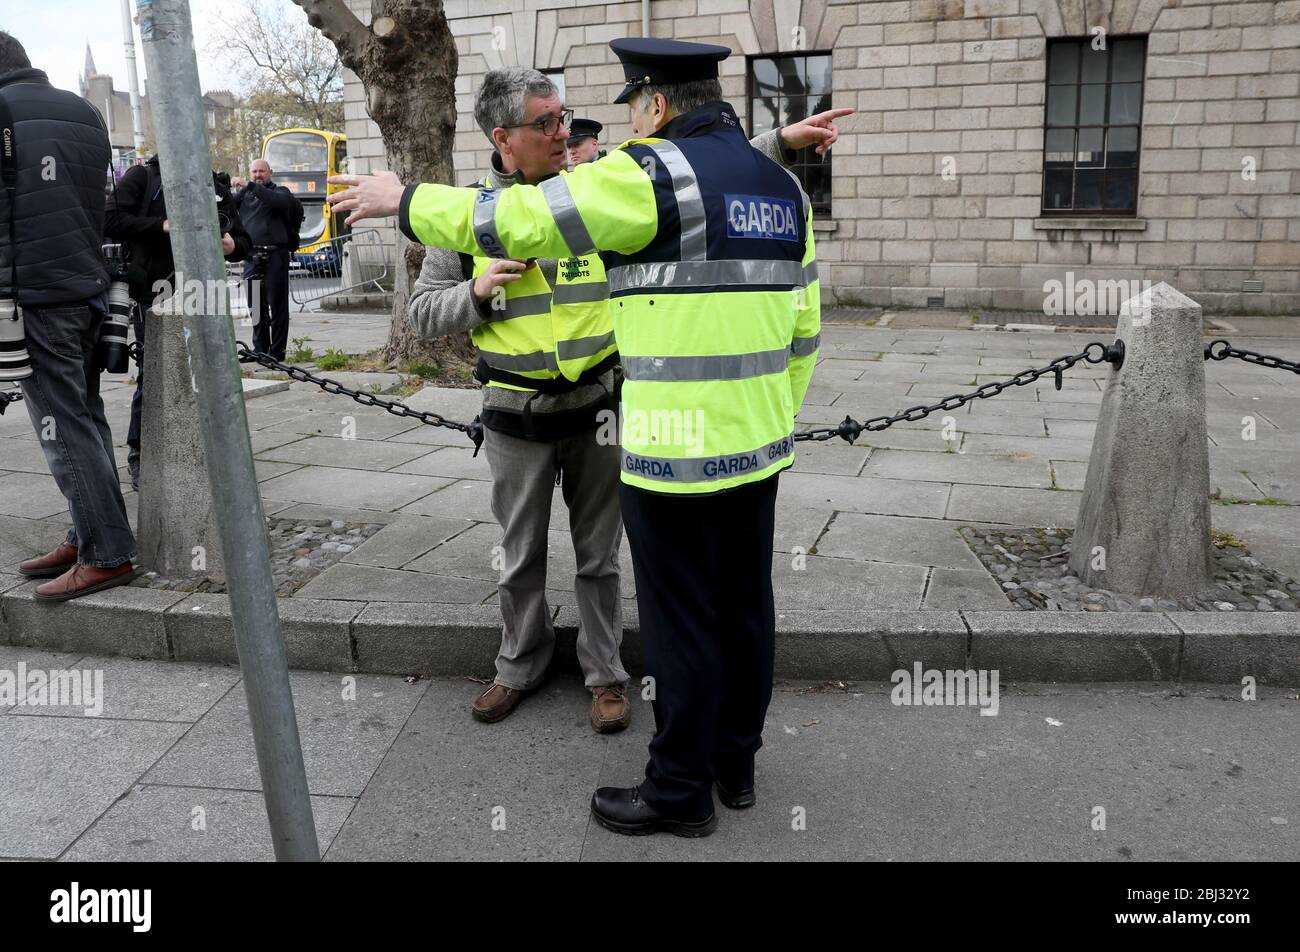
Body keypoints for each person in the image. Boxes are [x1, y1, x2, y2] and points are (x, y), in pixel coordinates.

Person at [330, 38, 848, 837]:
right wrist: (771, 413)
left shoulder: (642, 173)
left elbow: (528, 216)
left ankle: (679, 791)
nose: (621, 125)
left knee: (680, 625)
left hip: (672, 452)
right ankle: (734, 766)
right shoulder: (779, 186)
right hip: (758, 445)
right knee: (746, 610)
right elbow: (805, 329)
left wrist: (405, 197)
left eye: (634, 106)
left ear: (658, 105)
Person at [0, 31, 138, 600]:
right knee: (87, 418)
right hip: (85, 289)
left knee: (63, 430)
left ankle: (108, 553)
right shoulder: (82, 111)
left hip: (33, 297)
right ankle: (88, 535)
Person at [104, 157, 251, 489]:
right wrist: (163, 226)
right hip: (154, 291)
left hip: (205, 291)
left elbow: (243, 242)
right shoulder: (144, 176)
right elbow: (110, 219)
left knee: (210, 373)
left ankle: (205, 452)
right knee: (155, 376)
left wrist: (231, 245)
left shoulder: (213, 184)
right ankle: (141, 456)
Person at [231, 159, 300, 361]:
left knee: (277, 307)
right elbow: (226, 206)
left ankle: (277, 353)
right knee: (255, 306)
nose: (258, 175)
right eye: (254, 171)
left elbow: (279, 202)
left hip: (275, 255)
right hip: (251, 256)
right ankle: (260, 349)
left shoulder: (281, 192)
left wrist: (250, 185)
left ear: (270, 173)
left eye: (262, 171)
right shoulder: (245, 195)